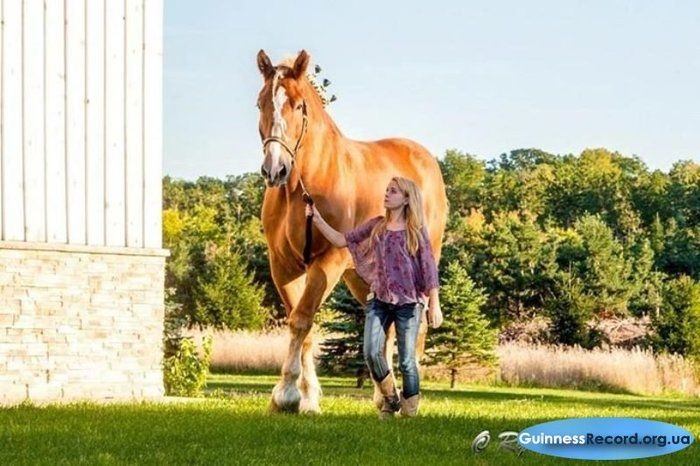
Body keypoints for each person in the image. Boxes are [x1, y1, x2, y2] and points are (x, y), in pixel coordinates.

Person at [306, 176, 443, 418]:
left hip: (409, 304)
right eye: (387, 190)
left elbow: (429, 267)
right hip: (379, 300)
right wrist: (316, 218)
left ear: (407, 199)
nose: (387, 194)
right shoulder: (377, 226)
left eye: (393, 191)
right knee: (371, 352)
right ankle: (390, 398)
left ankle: (410, 407)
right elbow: (341, 240)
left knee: (408, 361)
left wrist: (434, 304)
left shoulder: (416, 231)